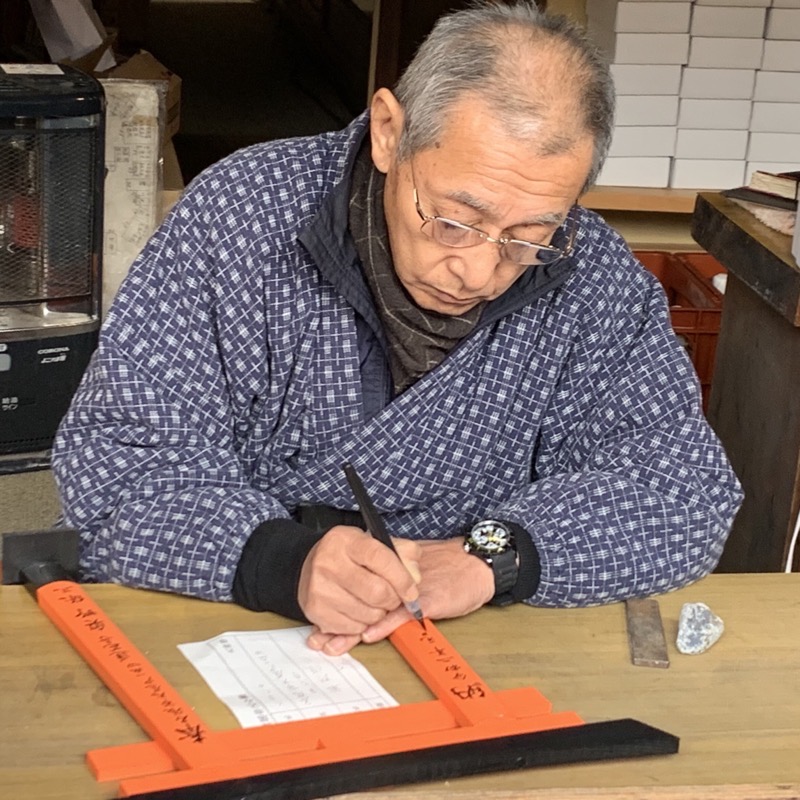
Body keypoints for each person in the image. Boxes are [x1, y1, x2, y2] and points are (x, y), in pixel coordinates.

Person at [52, 1, 742, 656]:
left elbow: (681, 489)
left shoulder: (592, 277)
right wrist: (281, 560)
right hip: (234, 615)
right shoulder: (242, 217)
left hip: (472, 633)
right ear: (389, 131)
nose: (476, 269)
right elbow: (118, 463)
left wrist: (493, 558)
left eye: (527, 235)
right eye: (453, 219)